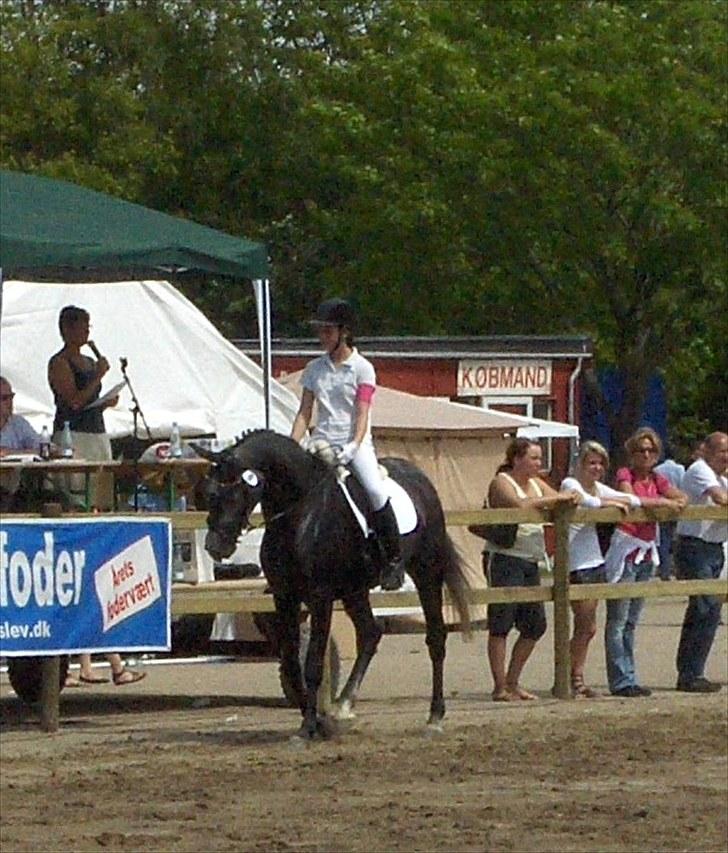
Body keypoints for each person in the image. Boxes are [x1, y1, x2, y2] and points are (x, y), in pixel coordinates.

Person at [47, 306, 144, 688]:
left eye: (89, 325)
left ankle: (90, 661)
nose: (87, 331)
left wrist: (106, 398)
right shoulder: (59, 363)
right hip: (74, 438)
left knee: (100, 504)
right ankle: (79, 661)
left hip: (97, 435)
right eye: (81, 325)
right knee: (78, 503)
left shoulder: (88, 358)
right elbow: (72, 402)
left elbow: (90, 403)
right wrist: (98, 379)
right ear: (67, 328)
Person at [290, 298, 404, 590]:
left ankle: (393, 559)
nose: (322, 337)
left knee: (376, 491)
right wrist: (293, 445)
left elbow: (363, 412)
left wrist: (354, 445)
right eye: (321, 332)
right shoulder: (314, 369)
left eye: (327, 332)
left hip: (354, 443)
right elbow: (305, 412)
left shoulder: (363, 369)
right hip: (322, 441)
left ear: (344, 332)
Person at [484, 438, 580, 702]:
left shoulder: (537, 483)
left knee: (535, 624)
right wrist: (557, 498)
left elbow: (557, 500)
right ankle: (499, 685)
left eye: (540, 458)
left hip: (530, 559)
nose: (538, 463)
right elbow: (519, 505)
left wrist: (568, 498)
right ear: (517, 459)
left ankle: (513, 681)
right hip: (505, 556)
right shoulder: (502, 481)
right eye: (534, 458)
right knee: (501, 623)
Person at [604, 427, 687, 697]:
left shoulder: (658, 477)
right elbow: (633, 499)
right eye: (641, 450)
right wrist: (663, 503)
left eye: (651, 450)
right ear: (632, 453)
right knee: (618, 619)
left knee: (632, 620)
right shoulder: (624, 474)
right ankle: (620, 679)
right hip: (627, 546)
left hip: (647, 548)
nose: (646, 454)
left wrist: (667, 501)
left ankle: (630, 675)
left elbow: (680, 497)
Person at [560, 441, 639, 698]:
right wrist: (609, 503)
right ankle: (571, 677)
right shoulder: (570, 484)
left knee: (587, 627)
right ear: (580, 464)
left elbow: (630, 498)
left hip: (595, 562)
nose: (596, 468)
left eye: (600, 463)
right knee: (584, 625)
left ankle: (574, 675)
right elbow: (588, 503)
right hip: (576, 564)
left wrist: (618, 500)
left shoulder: (598, 489)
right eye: (591, 462)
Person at [674, 431, 728, 693]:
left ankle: (692, 671)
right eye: (721, 451)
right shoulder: (700, 469)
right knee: (706, 607)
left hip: (714, 547)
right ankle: (690, 673)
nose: (725, 457)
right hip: (695, 547)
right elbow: (721, 499)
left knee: (707, 611)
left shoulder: (721, 477)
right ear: (706, 451)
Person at [0, 375, 42, 510]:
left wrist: (12, 453)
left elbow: (41, 447)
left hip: (13, 490)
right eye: (4, 398)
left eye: (11, 397)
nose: (10, 402)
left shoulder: (18, 423)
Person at [654, 447, 686, 580]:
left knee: (664, 540)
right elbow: (683, 486)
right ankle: (678, 571)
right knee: (676, 540)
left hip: (662, 507)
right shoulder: (680, 469)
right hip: (677, 506)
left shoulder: (657, 470)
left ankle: (664, 571)